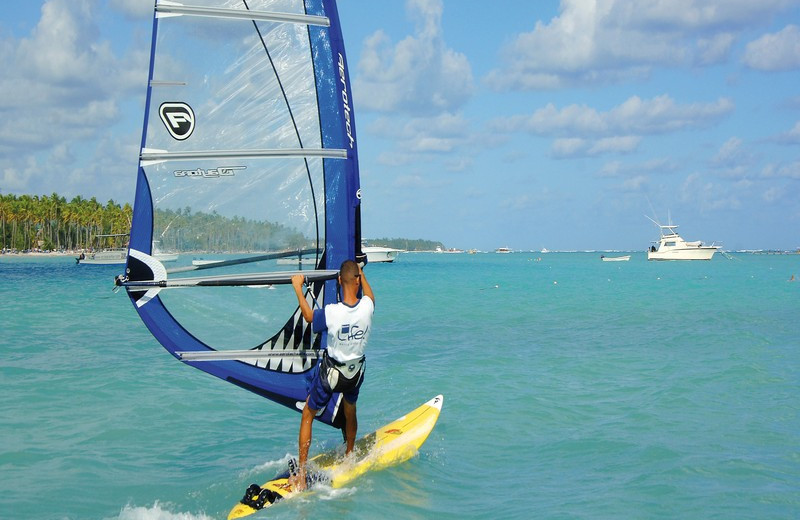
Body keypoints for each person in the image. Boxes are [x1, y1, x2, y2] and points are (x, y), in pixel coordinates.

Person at [288, 260, 375, 490]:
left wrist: (298, 287)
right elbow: (369, 296)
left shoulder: (332, 312)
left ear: (338, 281)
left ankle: (303, 475)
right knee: (350, 409)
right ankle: (349, 455)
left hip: (332, 375)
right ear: (357, 280)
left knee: (308, 413)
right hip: (355, 374)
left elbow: (308, 316)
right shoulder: (367, 307)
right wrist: (362, 273)